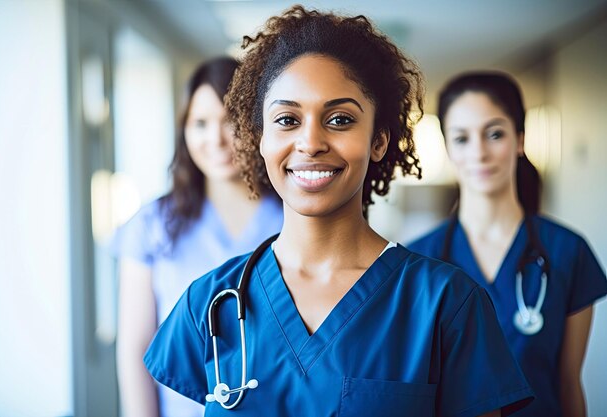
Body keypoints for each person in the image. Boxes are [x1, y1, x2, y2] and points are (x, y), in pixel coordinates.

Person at [143, 7, 534, 416]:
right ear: (259, 139)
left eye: (340, 119)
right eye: (287, 119)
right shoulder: (209, 303)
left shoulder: (447, 304)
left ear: (379, 140)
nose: (310, 142)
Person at [408, 71, 607, 417]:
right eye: (462, 138)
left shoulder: (567, 251)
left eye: (495, 134)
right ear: (448, 149)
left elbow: (568, 383)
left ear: (519, 140)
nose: (480, 153)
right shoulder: (417, 260)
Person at [112, 56, 283, 417]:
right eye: (200, 123)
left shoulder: (293, 217)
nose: (216, 139)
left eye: (231, 122)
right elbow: (136, 347)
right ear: (184, 131)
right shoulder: (152, 225)